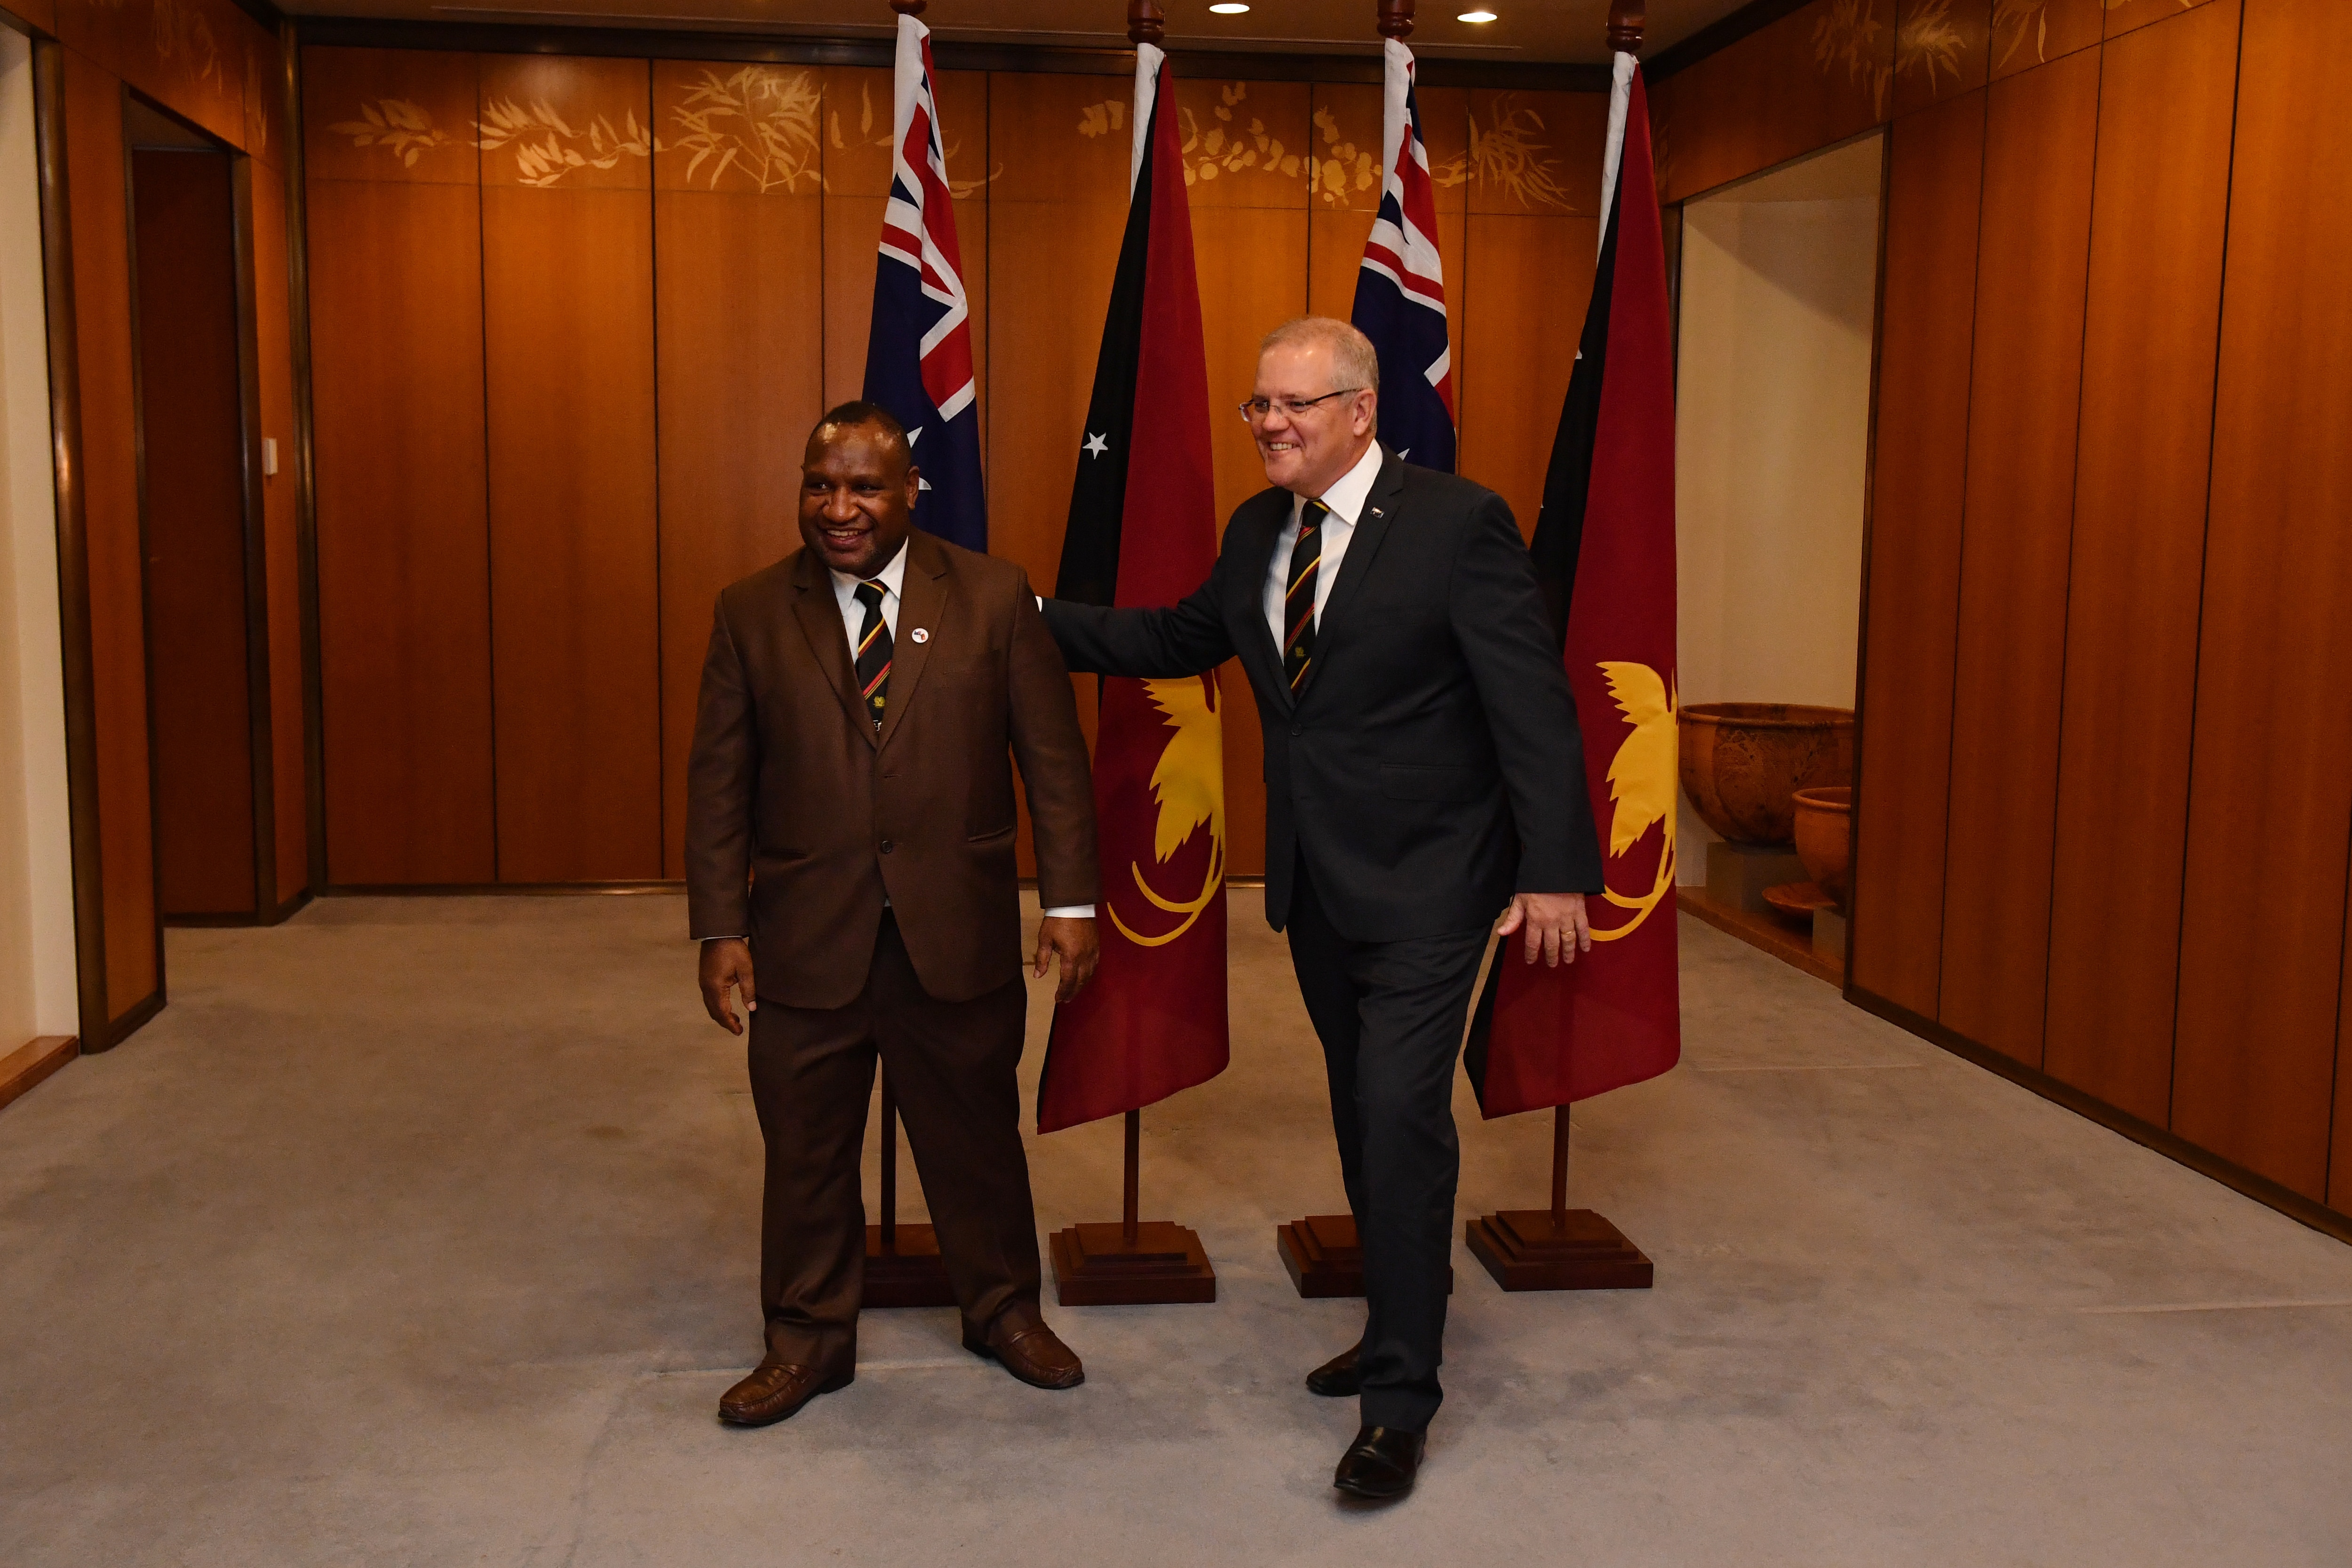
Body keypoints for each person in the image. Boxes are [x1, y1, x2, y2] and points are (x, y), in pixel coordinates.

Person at [1039, 318, 1603, 1498]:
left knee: (1400, 1115)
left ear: (1360, 409)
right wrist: (1022, 615)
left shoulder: (1458, 525)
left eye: (1294, 405)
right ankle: (1391, 1318)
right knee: (1362, 1118)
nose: (1269, 425)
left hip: (1436, 882)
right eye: (1257, 406)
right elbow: (1173, 637)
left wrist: (1554, 868)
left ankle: (1401, 1399)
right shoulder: (1260, 530)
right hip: (1318, 884)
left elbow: (1533, 705)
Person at [686, 402, 1102, 1428]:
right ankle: (806, 1337)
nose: (839, 508)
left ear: (910, 490)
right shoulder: (748, 610)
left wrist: (1071, 898)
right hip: (804, 937)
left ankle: (1003, 1308)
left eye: (864, 486)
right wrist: (719, 928)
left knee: (974, 1140)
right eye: (820, 484)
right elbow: (718, 785)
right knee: (805, 1149)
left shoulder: (995, 596)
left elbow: (1051, 761)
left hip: (951, 931)